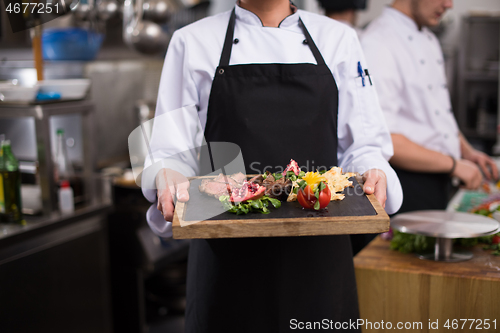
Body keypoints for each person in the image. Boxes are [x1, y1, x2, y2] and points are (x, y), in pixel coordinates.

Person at [141, 0, 402, 331]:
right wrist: (168, 176)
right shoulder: (191, 41)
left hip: (319, 255)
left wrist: (372, 169)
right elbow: (170, 148)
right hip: (226, 260)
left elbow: (363, 144)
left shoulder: (339, 39)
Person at [361, 0, 498, 215]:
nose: (449, 5)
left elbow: (437, 113)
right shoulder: (377, 43)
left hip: (439, 176)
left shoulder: (429, 38)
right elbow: (386, 138)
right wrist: (455, 165)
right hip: (408, 183)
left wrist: (467, 152)